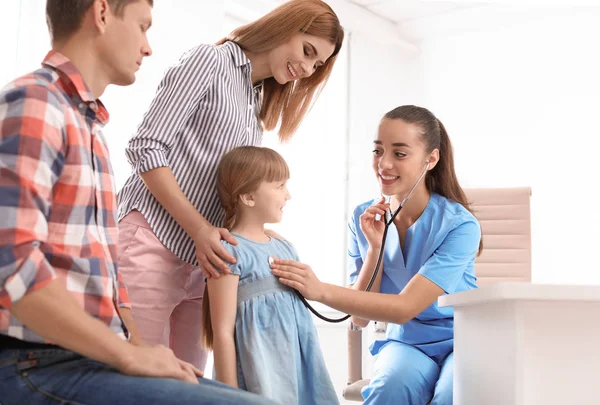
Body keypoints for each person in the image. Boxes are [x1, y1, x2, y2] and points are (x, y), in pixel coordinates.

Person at [0, 1, 276, 404]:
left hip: (87, 359)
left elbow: (111, 283)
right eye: (143, 27)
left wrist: (142, 349)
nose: (148, 47)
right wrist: (127, 356)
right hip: (38, 362)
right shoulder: (37, 103)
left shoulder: (89, 126)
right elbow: (13, 268)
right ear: (101, 13)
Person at [116, 0, 344, 370]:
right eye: (307, 51)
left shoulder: (255, 103)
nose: (306, 68)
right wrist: (201, 229)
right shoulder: (211, 61)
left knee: (189, 384)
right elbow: (145, 148)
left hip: (204, 263)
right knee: (137, 381)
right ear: (286, 26)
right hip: (152, 240)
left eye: (316, 65)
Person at [271, 105, 483, 405]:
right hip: (407, 343)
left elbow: (404, 307)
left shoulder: (459, 225)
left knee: (453, 394)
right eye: (377, 151)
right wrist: (374, 249)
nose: (383, 164)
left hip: (463, 342)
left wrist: (319, 290)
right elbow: (359, 317)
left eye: (399, 154)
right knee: (390, 389)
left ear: (431, 159)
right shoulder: (363, 217)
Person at [201, 146, 339, 405]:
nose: (288, 195)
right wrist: (229, 396)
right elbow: (222, 331)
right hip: (260, 373)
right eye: (279, 186)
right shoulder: (230, 252)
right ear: (248, 197)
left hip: (298, 369)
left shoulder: (284, 247)